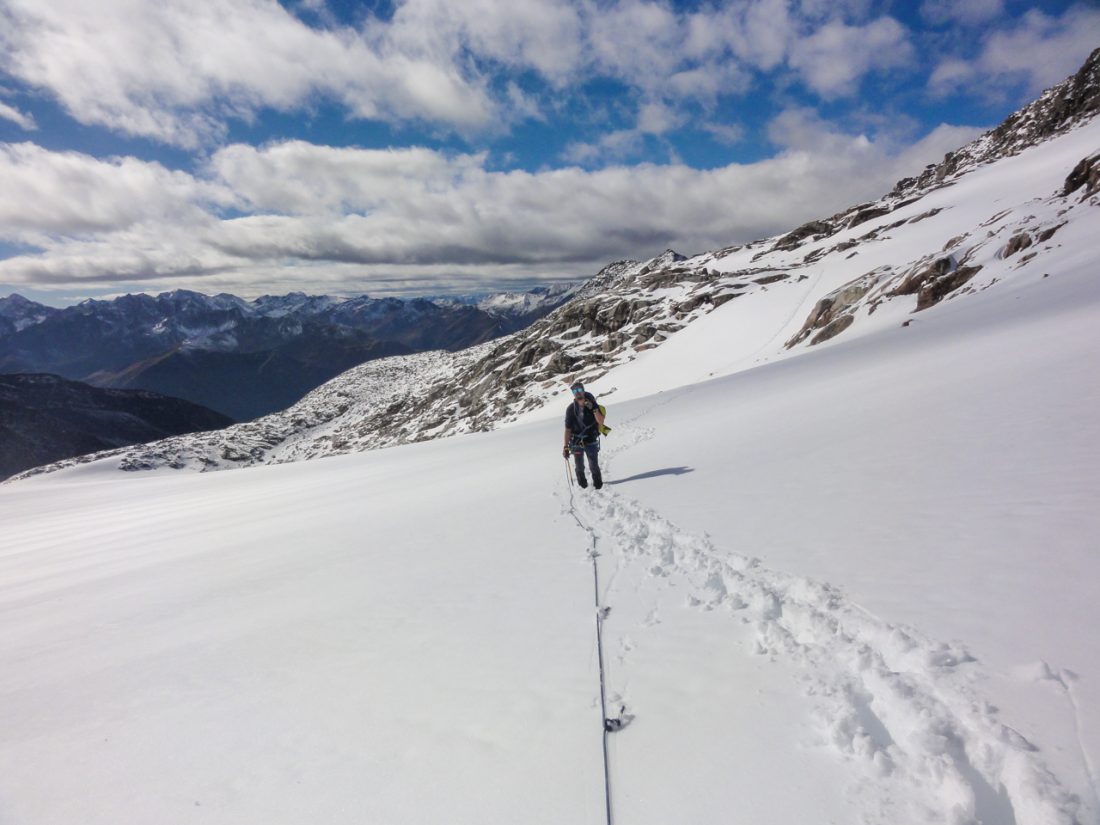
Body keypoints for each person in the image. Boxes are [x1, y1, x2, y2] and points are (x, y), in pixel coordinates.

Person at [562, 381, 605, 489]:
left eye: (579, 390)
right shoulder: (571, 409)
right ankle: (582, 484)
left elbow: (601, 422)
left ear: (583, 390)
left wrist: (594, 410)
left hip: (591, 439)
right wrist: (566, 446)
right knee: (579, 466)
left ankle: (598, 484)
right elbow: (568, 429)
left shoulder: (593, 404)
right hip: (576, 441)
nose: (577, 393)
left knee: (593, 465)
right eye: (574, 391)